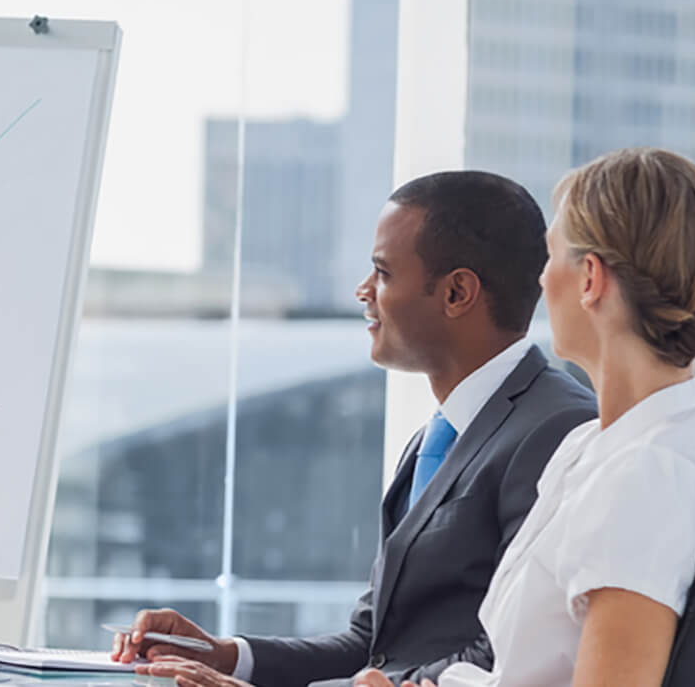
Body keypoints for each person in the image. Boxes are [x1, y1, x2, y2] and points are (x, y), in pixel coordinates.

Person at [114, 171, 598, 687]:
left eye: (383, 272)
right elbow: (372, 647)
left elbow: (503, 657)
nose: (363, 291)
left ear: (457, 292)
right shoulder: (437, 438)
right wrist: (226, 656)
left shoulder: (559, 429)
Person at [354, 148, 695, 687]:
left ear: (588, 279)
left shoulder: (647, 474)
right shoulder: (595, 447)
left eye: (549, 258)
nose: (538, 281)